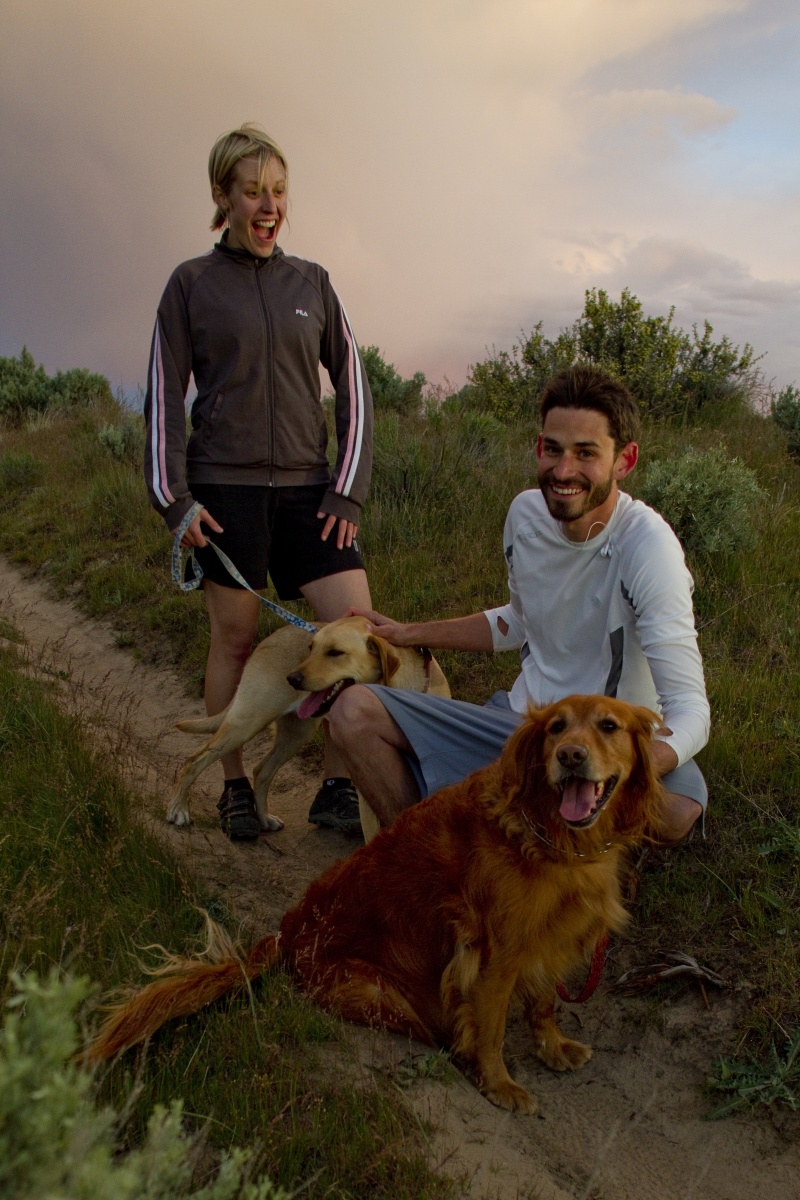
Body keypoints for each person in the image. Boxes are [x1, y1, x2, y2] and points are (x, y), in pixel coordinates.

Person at [327, 364, 710, 844]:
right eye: (553, 449)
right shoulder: (526, 515)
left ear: (624, 460)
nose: (564, 470)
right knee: (352, 713)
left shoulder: (648, 548)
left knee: (675, 812)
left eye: (586, 454)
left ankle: (531, 816)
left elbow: (691, 708)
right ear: (538, 447)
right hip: (522, 726)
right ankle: (426, 850)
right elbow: (519, 622)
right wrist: (410, 633)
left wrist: (620, 769)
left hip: (608, 741)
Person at [144, 123, 373, 840]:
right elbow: (161, 401)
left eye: (278, 191)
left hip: (312, 493)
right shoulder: (190, 284)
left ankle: (338, 784)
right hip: (225, 493)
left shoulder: (314, 283)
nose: (269, 205)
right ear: (223, 196)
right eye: (253, 192)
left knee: (356, 631)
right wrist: (175, 503)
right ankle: (236, 788)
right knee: (236, 644)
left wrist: (346, 488)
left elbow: (356, 388)